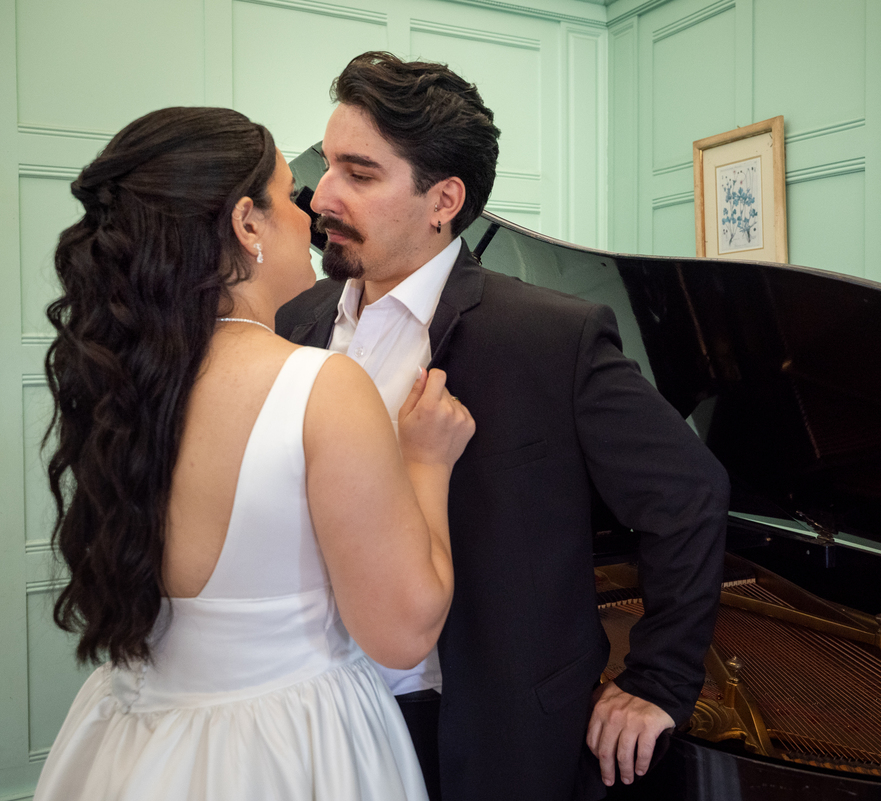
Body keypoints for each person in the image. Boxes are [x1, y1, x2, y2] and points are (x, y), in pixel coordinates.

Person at [276, 52, 729, 801]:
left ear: (443, 199)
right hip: (309, 719)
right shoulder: (298, 321)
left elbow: (689, 492)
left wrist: (659, 678)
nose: (320, 194)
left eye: (359, 174)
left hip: (481, 733)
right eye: (327, 166)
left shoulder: (553, 337)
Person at [33, 106, 474, 801]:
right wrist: (427, 462)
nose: (312, 211)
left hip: (129, 745)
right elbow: (403, 630)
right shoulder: (321, 386)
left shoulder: (120, 382)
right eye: (290, 192)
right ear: (246, 223)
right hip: (292, 748)